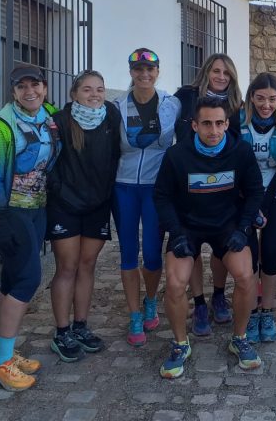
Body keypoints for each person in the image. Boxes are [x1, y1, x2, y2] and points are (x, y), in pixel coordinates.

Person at [154, 97, 264, 377]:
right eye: (206, 124)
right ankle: (180, 344)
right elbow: (162, 196)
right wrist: (176, 232)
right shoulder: (177, 155)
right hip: (188, 225)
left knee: (245, 275)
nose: (213, 130)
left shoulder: (241, 151)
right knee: (176, 283)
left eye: (219, 123)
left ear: (227, 123)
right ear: (194, 125)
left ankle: (239, 339)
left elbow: (254, 192)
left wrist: (243, 228)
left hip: (227, 224)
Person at [0, 64, 61, 391]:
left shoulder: (50, 115)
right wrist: (0, 221)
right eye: (22, 87)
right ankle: (1, 364)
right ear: (12, 92)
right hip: (9, 211)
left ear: (44, 87)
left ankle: (3, 352)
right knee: (27, 279)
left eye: (36, 85)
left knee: (12, 279)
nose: (30, 92)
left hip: (37, 209)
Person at [47, 70, 121, 362]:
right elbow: (48, 159)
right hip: (65, 205)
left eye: (100, 89)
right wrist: (59, 189)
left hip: (97, 204)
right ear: (74, 94)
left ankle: (80, 326)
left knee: (87, 265)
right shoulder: (61, 121)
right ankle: (62, 331)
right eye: (87, 90)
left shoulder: (111, 116)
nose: (94, 95)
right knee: (67, 266)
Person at [113, 48, 180, 346]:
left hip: (157, 188)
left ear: (157, 72)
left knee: (153, 253)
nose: (144, 75)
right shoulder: (116, 106)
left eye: (149, 70)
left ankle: (151, 299)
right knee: (128, 251)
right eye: (138, 69)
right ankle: (134, 315)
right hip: (124, 186)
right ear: (130, 72)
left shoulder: (172, 104)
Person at [174, 54, 243, 334]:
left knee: (219, 247)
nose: (221, 77)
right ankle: (200, 302)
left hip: (225, 184)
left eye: (227, 73)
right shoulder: (185, 97)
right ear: (206, 71)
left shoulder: (236, 105)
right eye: (216, 71)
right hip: (190, 181)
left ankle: (218, 294)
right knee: (192, 247)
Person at [240, 73, 276, 343]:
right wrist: (252, 203)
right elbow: (234, 164)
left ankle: (267, 310)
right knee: (250, 258)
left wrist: (264, 203)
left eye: (272, 99)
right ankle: (251, 312)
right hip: (245, 195)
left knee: (271, 253)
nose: (266, 104)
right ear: (251, 97)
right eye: (260, 98)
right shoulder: (237, 123)